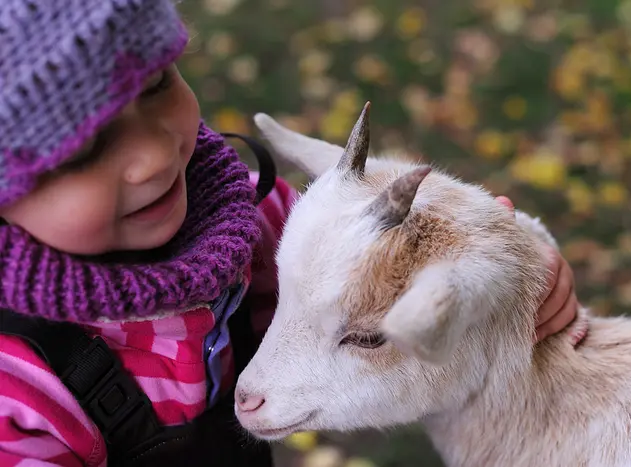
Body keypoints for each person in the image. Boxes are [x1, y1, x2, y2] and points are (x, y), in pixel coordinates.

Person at [0, 1, 579, 465]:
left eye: (155, 85)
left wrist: (513, 265)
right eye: (80, 151)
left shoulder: (260, 214)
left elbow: (389, 252)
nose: (153, 154)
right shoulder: (17, 388)